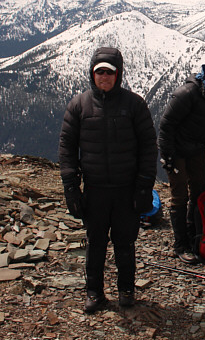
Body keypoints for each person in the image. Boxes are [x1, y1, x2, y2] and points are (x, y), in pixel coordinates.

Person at [58, 47, 157, 312]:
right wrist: (71, 188)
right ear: (92, 74)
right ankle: (94, 292)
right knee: (96, 242)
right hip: (95, 188)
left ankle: (126, 290)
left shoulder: (134, 105)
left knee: (125, 241)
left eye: (109, 72)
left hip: (126, 189)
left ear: (118, 74)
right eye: (99, 71)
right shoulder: (79, 106)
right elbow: (67, 148)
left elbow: (149, 146)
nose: (104, 77)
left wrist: (144, 186)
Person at [158, 61, 205, 263]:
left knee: (200, 193)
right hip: (176, 151)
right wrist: (167, 156)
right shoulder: (188, 93)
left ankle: (196, 238)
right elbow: (166, 125)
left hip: (196, 151)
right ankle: (180, 245)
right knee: (180, 195)